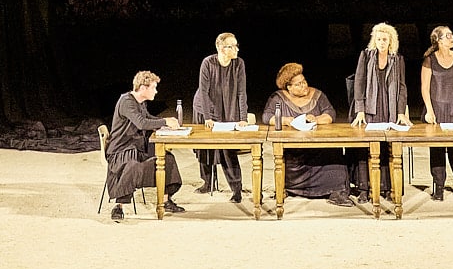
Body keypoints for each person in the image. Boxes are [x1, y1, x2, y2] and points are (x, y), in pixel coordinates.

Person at [259, 63, 352, 204]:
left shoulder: (317, 95)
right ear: (289, 87)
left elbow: (330, 113)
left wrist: (317, 119)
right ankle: (290, 188)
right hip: (294, 150)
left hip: (318, 146)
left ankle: (337, 192)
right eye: (299, 84)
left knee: (335, 151)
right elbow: (267, 116)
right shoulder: (278, 98)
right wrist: (286, 120)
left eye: (304, 81)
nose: (304, 86)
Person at [106, 70, 185, 222]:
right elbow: (141, 123)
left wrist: (166, 122)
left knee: (167, 159)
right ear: (143, 88)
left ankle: (166, 200)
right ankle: (119, 206)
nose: (156, 91)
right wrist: (164, 122)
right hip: (121, 150)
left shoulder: (141, 103)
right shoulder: (127, 102)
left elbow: (149, 118)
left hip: (136, 147)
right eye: (153, 88)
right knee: (132, 166)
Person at [349, 22, 409, 194]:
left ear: (391, 41)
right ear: (374, 40)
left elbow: (402, 87)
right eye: (379, 39)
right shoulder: (366, 56)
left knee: (388, 147)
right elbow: (359, 83)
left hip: (389, 108)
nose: (382, 42)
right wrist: (360, 110)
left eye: (385, 39)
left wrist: (400, 111)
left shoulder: (397, 59)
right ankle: (363, 188)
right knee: (366, 147)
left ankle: (387, 187)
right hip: (369, 108)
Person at [418, 25, 453, 201]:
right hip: (437, 108)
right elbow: (425, 87)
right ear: (438, 40)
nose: (452, 38)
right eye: (448, 35)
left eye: (452, 34)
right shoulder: (429, 59)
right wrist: (429, 109)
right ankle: (439, 186)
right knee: (437, 148)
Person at [192, 31, 250, 204]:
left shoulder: (238, 64)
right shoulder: (208, 63)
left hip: (228, 108)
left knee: (228, 149)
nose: (236, 49)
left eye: (236, 45)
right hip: (206, 107)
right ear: (220, 48)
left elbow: (241, 92)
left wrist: (243, 117)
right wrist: (209, 117)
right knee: (205, 147)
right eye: (232, 46)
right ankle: (207, 182)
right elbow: (203, 91)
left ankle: (236, 188)